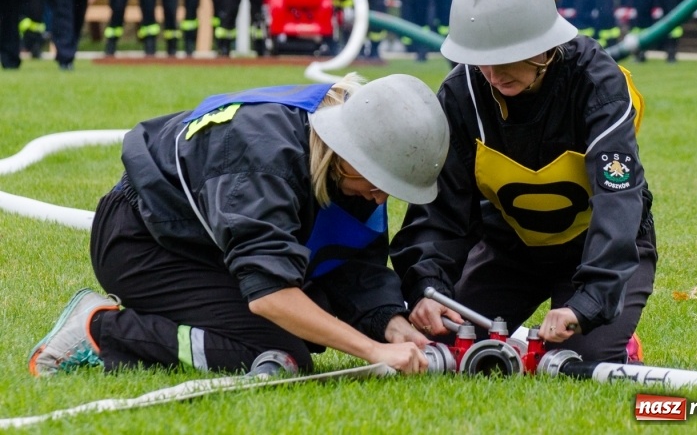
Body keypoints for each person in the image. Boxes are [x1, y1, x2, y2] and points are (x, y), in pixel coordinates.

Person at [29, 74, 449, 376]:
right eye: (378, 183)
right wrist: (372, 350)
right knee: (276, 348)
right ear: (348, 151)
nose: (382, 198)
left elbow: (353, 266)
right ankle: (99, 332)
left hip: (202, 244)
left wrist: (393, 327)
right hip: (143, 243)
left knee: (312, 325)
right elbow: (270, 294)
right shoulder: (262, 156)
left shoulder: (350, 169)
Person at [390, 0, 657, 365]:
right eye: (481, 60)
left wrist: (588, 302)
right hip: (510, 247)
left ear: (544, 46)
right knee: (447, 346)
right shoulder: (461, 94)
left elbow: (618, 201)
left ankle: (619, 340)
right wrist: (428, 287)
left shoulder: (598, 84)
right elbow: (441, 209)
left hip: (592, 248)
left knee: (574, 362)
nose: (493, 75)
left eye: (505, 58)